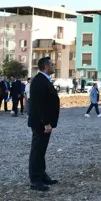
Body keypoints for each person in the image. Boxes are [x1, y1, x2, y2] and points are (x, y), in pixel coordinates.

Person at [27, 57, 60, 192]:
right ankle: (35, 180)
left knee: (42, 151)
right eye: (52, 64)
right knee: (37, 151)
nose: (54, 66)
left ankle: (42, 175)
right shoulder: (39, 81)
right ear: (46, 67)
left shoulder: (44, 80)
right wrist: (46, 122)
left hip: (44, 123)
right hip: (41, 123)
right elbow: (39, 105)